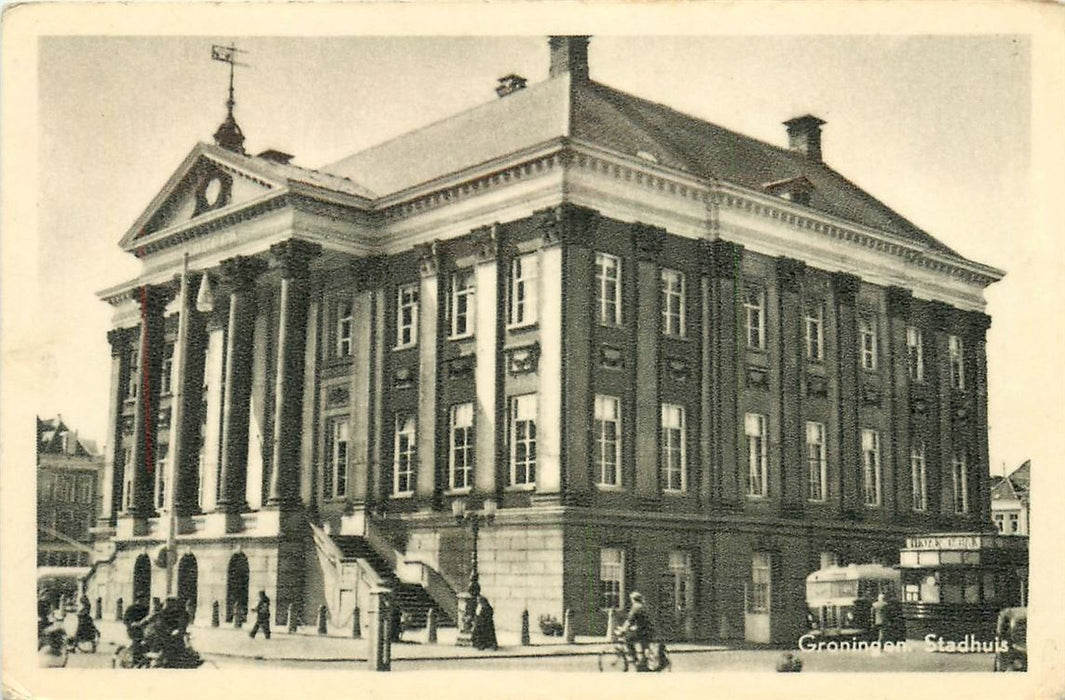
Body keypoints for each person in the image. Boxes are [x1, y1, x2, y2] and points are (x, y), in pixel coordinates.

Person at [142, 596, 190, 665]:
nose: (170, 606)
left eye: (172, 604)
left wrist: (177, 631)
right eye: (168, 603)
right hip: (159, 637)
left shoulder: (176, 614)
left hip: (168, 637)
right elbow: (148, 619)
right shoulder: (161, 613)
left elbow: (180, 626)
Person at [618, 591, 653, 670]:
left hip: (642, 630)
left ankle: (637, 661)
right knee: (644, 647)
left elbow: (629, 620)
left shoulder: (636, 607)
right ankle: (644, 664)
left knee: (628, 640)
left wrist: (623, 630)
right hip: (647, 630)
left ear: (633, 599)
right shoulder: (643, 606)